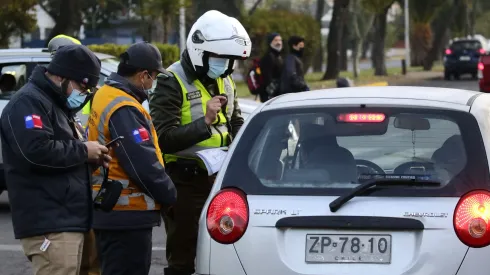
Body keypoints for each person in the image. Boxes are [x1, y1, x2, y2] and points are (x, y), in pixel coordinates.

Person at [149, 10, 251, 275]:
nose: (226, 65)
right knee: (183, 258)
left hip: (220, 179)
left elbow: (234, 121)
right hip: (184, 182)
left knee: (224, 252)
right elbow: (164, 139)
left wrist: (245, 146)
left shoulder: (224, 78)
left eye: (230, 60)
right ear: (199, 52)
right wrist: (204, 122)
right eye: (220, 58)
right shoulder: (170, 81)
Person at [0, 44, 110, 275]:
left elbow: (62, 153)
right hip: (50, 223)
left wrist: (92, 158)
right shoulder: (27, 103)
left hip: (71, 218)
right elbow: (36, 151)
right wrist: (83, 151)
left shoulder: (57, 105)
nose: (86, 92)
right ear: (61, 76)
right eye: (83, 85)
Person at [87, 41, 177, 275]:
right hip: (127, 215)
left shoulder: (105, 94)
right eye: (154, 77)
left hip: (109, 208)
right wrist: (170, 195)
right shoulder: (124, 106)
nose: (153, 83)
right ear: (143, 75)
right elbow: (142, 164)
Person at [47, 34, 101, 275]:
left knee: (90, 259)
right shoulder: (52, 98)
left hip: (89, 178)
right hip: (69, 186)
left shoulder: (89, 89)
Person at [258, 32, 283, 102]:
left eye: (280, 40)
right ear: (270, 42)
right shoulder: (268, 57)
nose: (279, 42)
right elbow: (267, 78)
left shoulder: (278, 56)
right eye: (276, 40)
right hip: (269, 94)